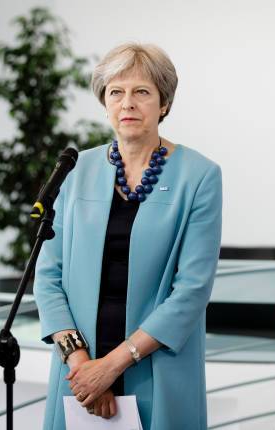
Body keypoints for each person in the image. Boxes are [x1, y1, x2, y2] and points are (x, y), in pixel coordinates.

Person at [34, 43, 222, 430]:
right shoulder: (75, 169)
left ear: (164, 103)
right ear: (105, 103)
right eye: (116, 92)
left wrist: (113, 365)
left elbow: (191, 290)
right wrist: (83, 366)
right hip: (79, 375)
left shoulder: (199, 176)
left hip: (157, 368)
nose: (128, 103)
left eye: (142, 92)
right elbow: (47, 277)